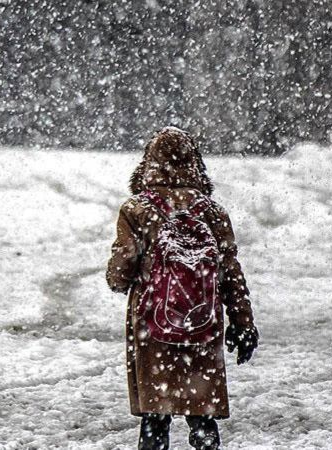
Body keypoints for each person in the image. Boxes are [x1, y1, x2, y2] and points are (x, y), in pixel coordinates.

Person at [106, 127, 258, 450]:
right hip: (202, 328)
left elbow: (122, 269)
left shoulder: (137, 211)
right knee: (202, 418)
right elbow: (230, 273)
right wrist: (243, 324)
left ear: (149, 164)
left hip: (153, 329)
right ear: (195, 164)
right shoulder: (213, 213)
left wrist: (118, 279)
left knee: (155, 421)